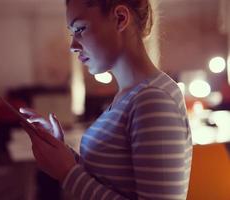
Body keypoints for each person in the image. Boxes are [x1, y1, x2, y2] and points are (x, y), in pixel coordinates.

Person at [19, 0, 193, 199]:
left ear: (120, 18)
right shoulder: (130, 95)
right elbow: (107, 179)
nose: (72, 46)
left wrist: (67, 173)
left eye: (80, 29)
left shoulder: (153, 99)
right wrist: (62, 154)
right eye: (72, 32)